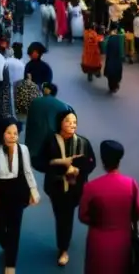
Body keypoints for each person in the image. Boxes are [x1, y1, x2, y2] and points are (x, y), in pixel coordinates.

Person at [79, 140, 139, 274]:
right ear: (119, 159)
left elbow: (83, 216)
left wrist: (98, 221)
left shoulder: (91, 187)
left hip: (97, 240)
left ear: (103, 159)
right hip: (123, 240)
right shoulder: (131, 184)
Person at [0, 117, 41, 274]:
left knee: (14, 228)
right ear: (1, 134)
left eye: (16, 133)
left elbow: (28, 171)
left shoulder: (23, 150)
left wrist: (34, 191)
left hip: (17, 190)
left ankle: (10, 263)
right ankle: (8, 247)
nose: (13, 136)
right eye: (9, 133)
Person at [40, 110, 97, 267]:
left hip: (76, 188)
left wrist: (79, 170)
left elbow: (91, 163)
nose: (72, 125)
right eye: (68, 122)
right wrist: (59, 162)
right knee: (62, 217)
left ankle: (64, 245)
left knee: (67, 216)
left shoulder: (83, 143)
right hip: (56, 187)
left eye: (74, 122)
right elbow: (40, 162)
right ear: (60, 123)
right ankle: (63, 246)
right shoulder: (50, 141)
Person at [25, 82, 71, 164]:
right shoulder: (62, 106)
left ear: (47, 90)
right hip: (53, 141)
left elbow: (29, 122)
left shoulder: (35, 102)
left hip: (35, 141)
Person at [103, 23, 126, 94]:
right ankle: (114, 86)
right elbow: (122, 49)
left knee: (110, 71)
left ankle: (111, 86)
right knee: (116, 72)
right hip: (117, 58)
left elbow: (104, 48)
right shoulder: (120, 37)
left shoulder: (108, 37)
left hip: (110, 58)